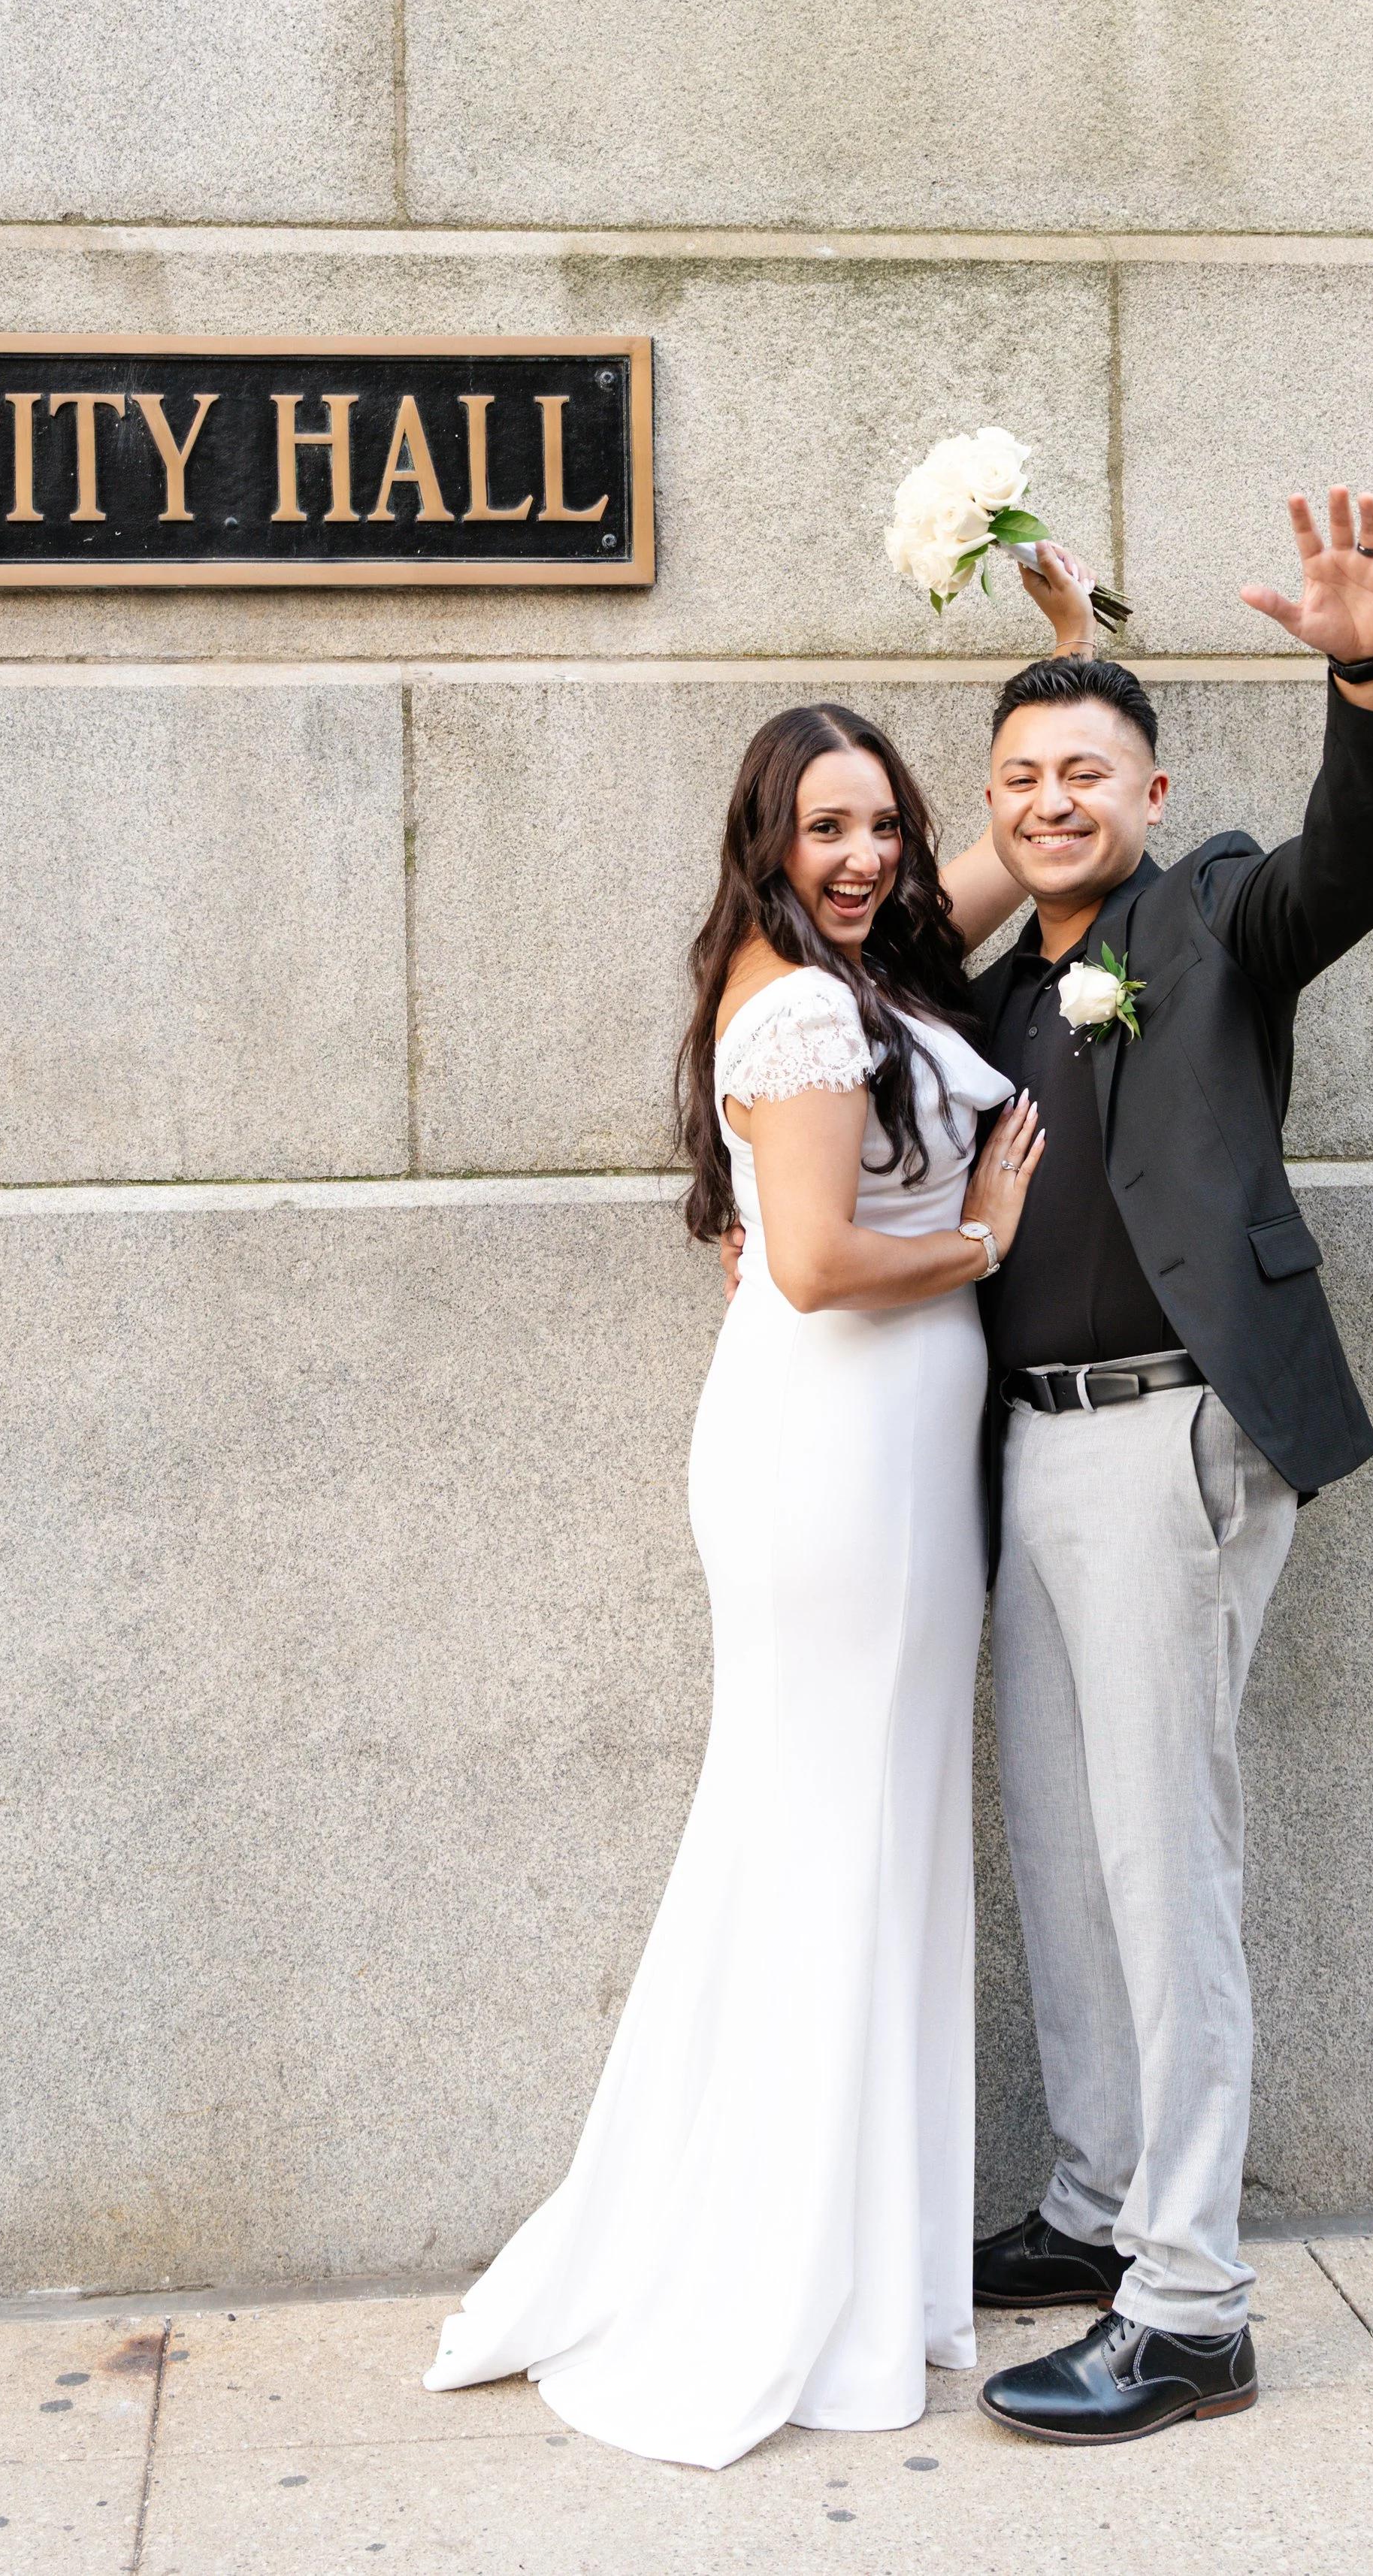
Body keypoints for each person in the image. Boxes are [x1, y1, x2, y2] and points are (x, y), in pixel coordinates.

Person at [422, 703, 1041, 2468]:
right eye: (820, 830)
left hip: (894, 1452)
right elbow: (830, 1260)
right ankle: (781, 2274)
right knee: (820, 1834)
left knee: (867, 1831)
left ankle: (865, 2255)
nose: (859, 859)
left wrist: (1069, 652)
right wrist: (986, 1235)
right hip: (830, 1461)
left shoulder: (863, 968)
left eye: (879, 828)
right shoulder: (788, 1007)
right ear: (760, 841)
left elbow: (983, 871)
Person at [966, 490, 1373, 2444]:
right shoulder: (992, 974)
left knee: (1165, 1862)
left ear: (1155, 787)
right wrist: (1066, 642)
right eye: (1019, 775)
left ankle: (1190, 2304)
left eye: (1088, 769)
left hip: (1171, 1434)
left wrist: (1364, 677)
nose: (1053, 798)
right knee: (1068, 1855)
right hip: (1020, 1457)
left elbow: (1355, 853)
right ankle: (1093, 2206)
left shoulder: (1213, 907)